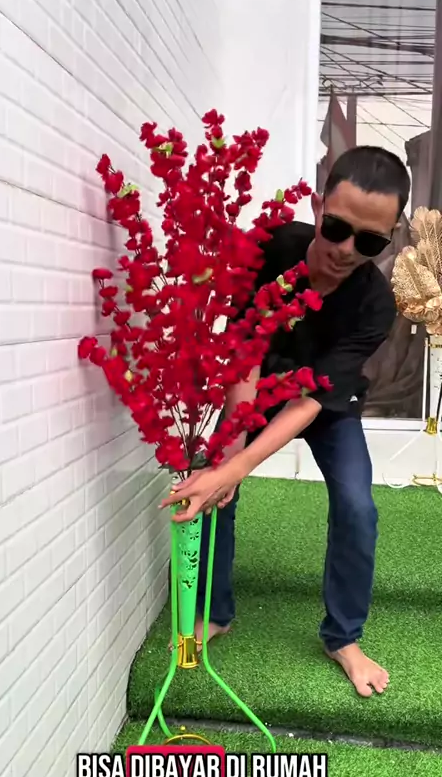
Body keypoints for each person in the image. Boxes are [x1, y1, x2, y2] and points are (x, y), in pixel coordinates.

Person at [160, 145, 410, 698]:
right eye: (336, 228)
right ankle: (214, 611)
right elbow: (245, 352)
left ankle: (344, 637)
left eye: (369, 242)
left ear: (390, 238)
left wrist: (240, 463)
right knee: (217, 483)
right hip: (255, 387)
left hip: (324, 405)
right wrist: (232, 452)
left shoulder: (375, 305)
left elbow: (311, 402)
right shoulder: (272, 248)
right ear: (318, 206)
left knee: (357, 505)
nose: (346, 250)